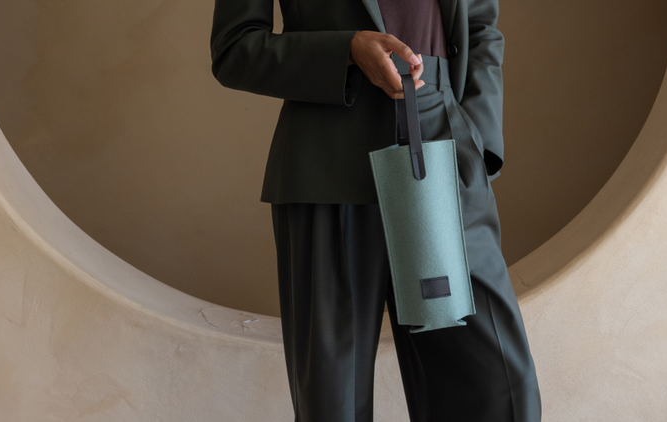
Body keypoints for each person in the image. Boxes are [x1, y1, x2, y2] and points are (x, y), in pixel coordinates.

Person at [210, 0, 542, 420]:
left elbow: (479, 25)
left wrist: (477, 143)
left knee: (499, 393)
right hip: (327, 166)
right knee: (336, 403)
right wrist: (346, 50)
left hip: (441, 149)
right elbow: (234, 48)